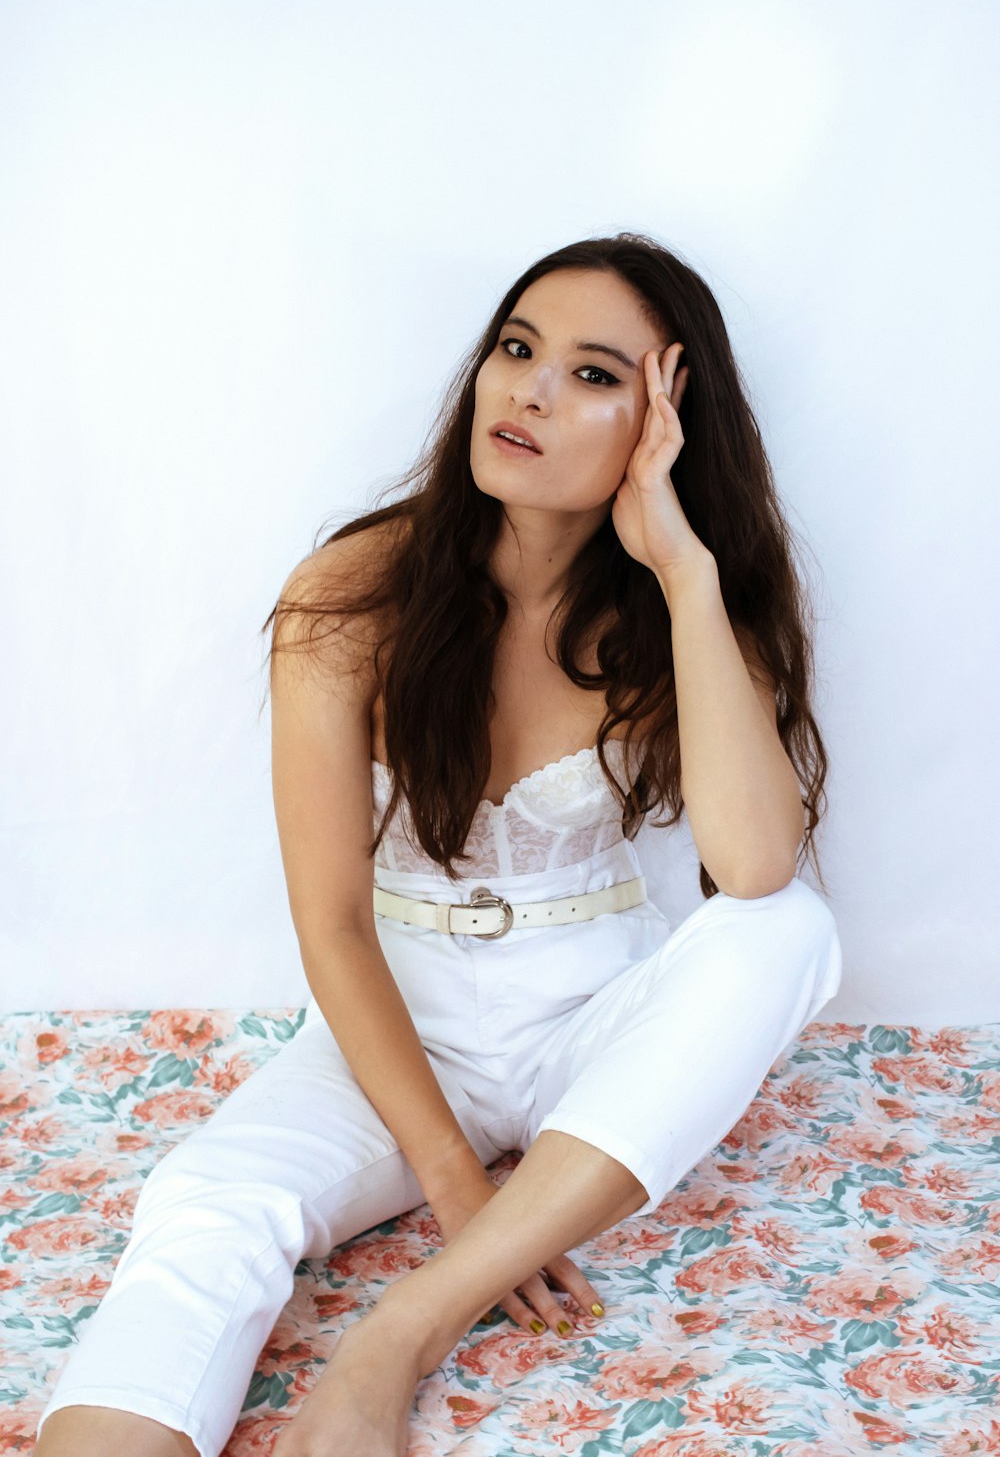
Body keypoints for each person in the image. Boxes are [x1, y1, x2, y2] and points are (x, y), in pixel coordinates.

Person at [35, 231, 842, 1457]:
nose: (528, 389)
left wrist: (681, 568)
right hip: (401, 1016)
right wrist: (456, 1180)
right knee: (204, 1202)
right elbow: (332, 919)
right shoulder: (354, 592)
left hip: (594, 1009)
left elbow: (755, 868)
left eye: (592, 374)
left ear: (668, 424)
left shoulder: (678, 606)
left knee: (789, 928)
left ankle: (386, 1349)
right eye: (516, 349)